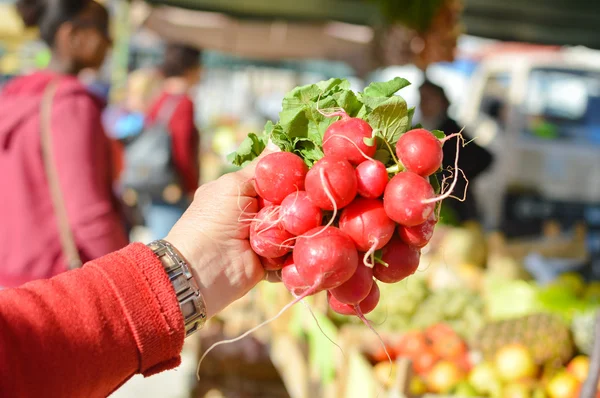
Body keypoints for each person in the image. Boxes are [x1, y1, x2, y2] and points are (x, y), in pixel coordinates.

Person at [0, 150, 276, 397]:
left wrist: (190, 260)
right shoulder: (69, 102)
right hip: (64, 269)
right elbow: (87, 208)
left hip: (20, 273)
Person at [0, 0, 128, 288]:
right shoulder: (71, 104)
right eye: (103, 31)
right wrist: (128, 277)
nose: (109, 43)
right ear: (72, 34)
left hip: (11, 278)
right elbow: (89, 213)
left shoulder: (13, 95)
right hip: (57, 286)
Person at [121, 44, 201, 241]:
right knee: (170, 245)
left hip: (152, 182)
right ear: (192, 68)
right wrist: (190, 187)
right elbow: (181, 149)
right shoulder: (183, 102)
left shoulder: (161, 96)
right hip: (171, 186)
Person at [418, 80, 494, 223]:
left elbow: (485, 158)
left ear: (442, 102)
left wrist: (455, 178)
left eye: (427, 99)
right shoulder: (424, 129)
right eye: (421, 99)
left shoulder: (450, 130)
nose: (423, 104)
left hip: (456, 206)